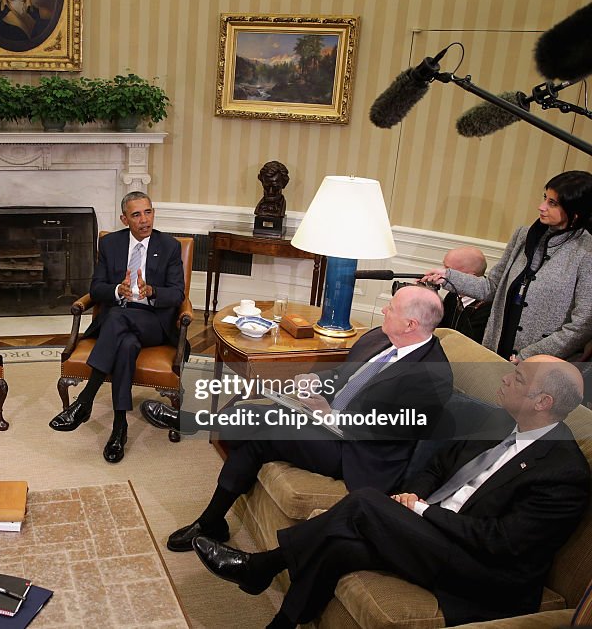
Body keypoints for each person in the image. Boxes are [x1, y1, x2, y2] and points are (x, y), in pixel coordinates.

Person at [190, 355, 589, 629]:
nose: (506, 376)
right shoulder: (501, 422)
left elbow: (501, 543)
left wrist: (421, 512)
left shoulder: (563, 472)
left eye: (518, 378)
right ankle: (283, 623)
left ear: (544, 402)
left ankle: (263, 567)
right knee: (341, 545)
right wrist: (413, 497)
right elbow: (437, 465)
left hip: (482, 569)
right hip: (434, 529)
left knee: (364, 502)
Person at [141, 285, 452, 551]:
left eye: (392, 308)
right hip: (327, 420)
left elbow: (391, 430)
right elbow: (344, 374)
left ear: (411, 324)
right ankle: (211, 521)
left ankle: (191, 427)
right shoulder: (380, 338)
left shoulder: (432, 376)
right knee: (247, 414)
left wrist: (332, 417)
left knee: (264, 430)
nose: (384, 309)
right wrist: (317, 381)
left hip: (358, 450)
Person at [49, 191, 186, 463]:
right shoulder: (110, 244)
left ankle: (85, 400)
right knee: (125, 345)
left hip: (153, 321)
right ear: (125, 219)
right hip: (121, 320)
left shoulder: (168, 245)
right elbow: (95, 288)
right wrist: (117, 290)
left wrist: (151, 291)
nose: (144, 220)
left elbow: (178, 293)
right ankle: (119, 428)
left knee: (116, 319)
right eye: (136, 215)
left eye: (148, 212)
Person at [422, 170, 592, 361]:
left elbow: (582, 325)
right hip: (496, 352)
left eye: (552, 203)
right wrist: (448, 276)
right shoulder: (523, 235)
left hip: (543, 365)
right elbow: (492, 287)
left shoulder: (587, 252)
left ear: (575, 213)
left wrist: (531, 355)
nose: (541, 207)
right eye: (545, 198)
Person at [435, 246, 492, 343]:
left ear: (469, 277)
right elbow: (440, 328)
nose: (442, 272)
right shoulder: (452, 296)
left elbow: (466, 342)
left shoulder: (488, 309)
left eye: (448, 269)